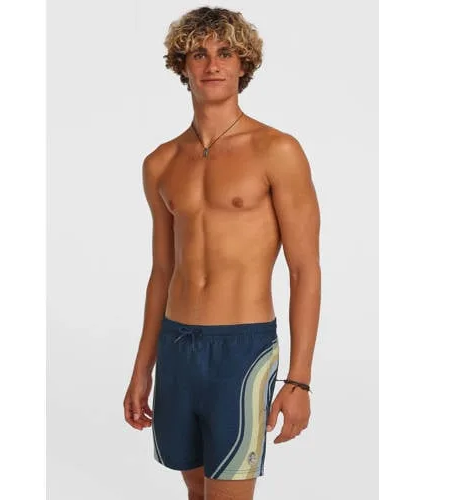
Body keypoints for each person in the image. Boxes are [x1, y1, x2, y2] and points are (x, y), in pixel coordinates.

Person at [124, 6, 321, 500]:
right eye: (199, 54)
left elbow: (304, 269)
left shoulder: (277, 150)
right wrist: (142, 368)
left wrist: (300, 380)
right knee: (196, 491)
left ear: (243, 64)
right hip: (176, 346)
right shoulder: (160, 163)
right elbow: (162, 271)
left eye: (225, 53)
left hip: (242, 349)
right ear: (182, 66)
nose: (212, 64)